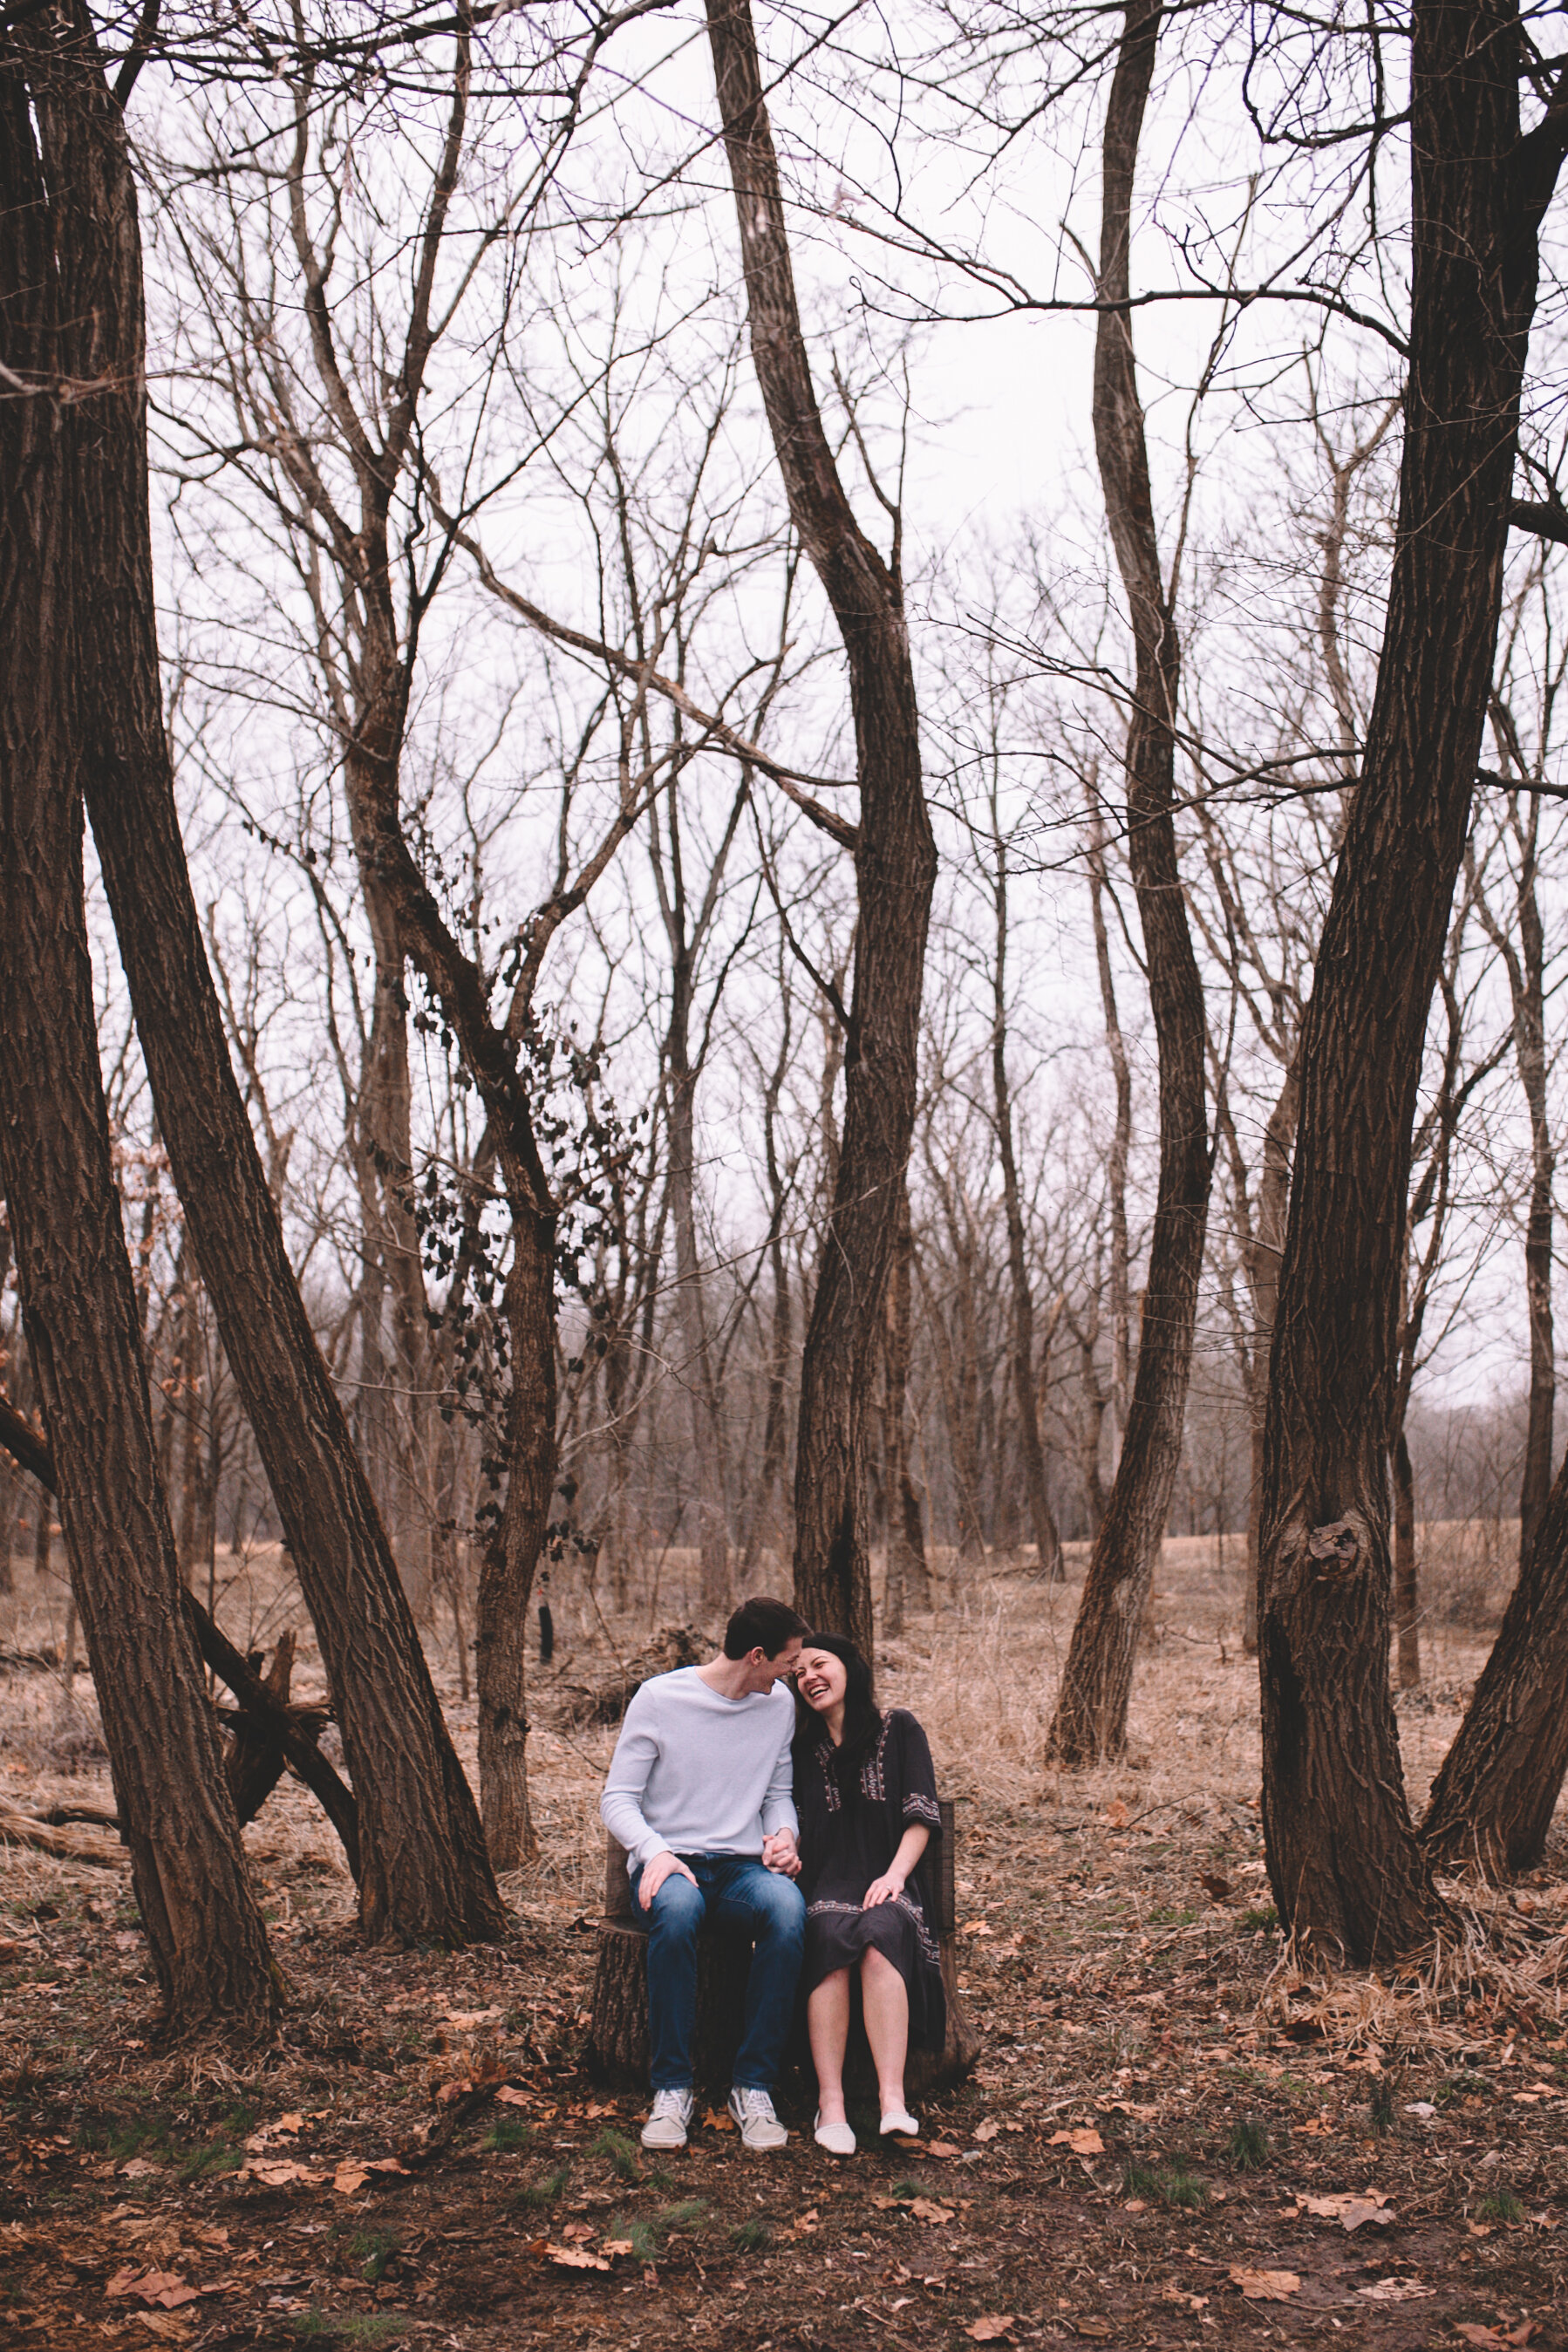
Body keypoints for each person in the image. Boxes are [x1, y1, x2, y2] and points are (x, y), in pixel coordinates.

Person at [600, 1594, 808, 2153]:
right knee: (676, 1913)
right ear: (758, 1656)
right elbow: (618, 1798)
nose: (796, 1672)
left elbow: (777, 1794)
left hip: (742, 1870)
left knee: (788, 1912)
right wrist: (654, 1850)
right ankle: (672, 2088)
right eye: (790, 1661)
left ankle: (753, 2085)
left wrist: (784, 1836)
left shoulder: (778, 1704)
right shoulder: (661, 1698)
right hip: (673, 1865)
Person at [793, 1634, 945, 2157]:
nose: (809, 1676)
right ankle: (830, 2104)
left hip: (890, 1877)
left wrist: (896, 1876)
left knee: (881, 1935)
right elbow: (794, 1823)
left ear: (849, 1670)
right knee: (829, 1937)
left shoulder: (898, 1728)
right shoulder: (802, 1751)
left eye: (820, 1664)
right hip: (828, 1885)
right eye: (799, 1673)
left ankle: (891, 2100)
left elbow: (921, 1815)